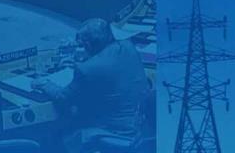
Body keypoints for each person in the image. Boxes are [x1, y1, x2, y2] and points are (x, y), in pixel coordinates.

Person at [35, 19, 150, 153]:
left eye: (82, 45)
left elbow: (63, 97)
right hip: (140, 129)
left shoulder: (87, 69)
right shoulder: (128, 46)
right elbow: (108, 65)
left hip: (112, 132)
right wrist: (85, 61)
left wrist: (44, 83)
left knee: (54, 134)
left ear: (88, 44)